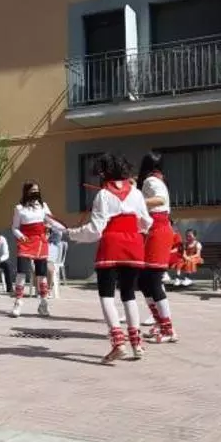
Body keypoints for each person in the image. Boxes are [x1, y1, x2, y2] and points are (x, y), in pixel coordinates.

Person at [69, 153, 152, 362]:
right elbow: (146, 222)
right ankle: (137, 343)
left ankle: (118, 342)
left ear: (104, 173)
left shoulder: (103, 195)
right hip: (134, 246)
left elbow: (96, 229)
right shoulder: (136, 192)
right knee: (129, 295)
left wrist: (72, 233)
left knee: (106, 295)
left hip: (112, 245)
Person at [137, 153, 178, 343]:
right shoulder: (154, 180)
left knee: (153, 280)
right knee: (145, 281)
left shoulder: (151, 180)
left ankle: (168, 329)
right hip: (153, 230)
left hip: (157, 230)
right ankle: (159, 322)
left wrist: (134, 201)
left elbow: (159, 200)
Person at [10, 181, 65, 317]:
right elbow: (15, 227)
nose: (35, 192)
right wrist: (20, 236)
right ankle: (18, 302)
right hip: (26, 241)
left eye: (37, 190)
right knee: (21, 272)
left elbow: (51, 221)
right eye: (32, 190)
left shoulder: (43, 206)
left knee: (41, 274)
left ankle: (43, 303)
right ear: (26, 191)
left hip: (41, 241)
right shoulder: (19, 208)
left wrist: (66, 229)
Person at [46, 227, 64, 295]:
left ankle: (48, 289)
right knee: (35, 269)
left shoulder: (54, 245)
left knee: (50, 269)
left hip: (50, 260)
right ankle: (39, 289)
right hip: (39, 259)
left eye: (48, 233)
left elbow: (59, 234)